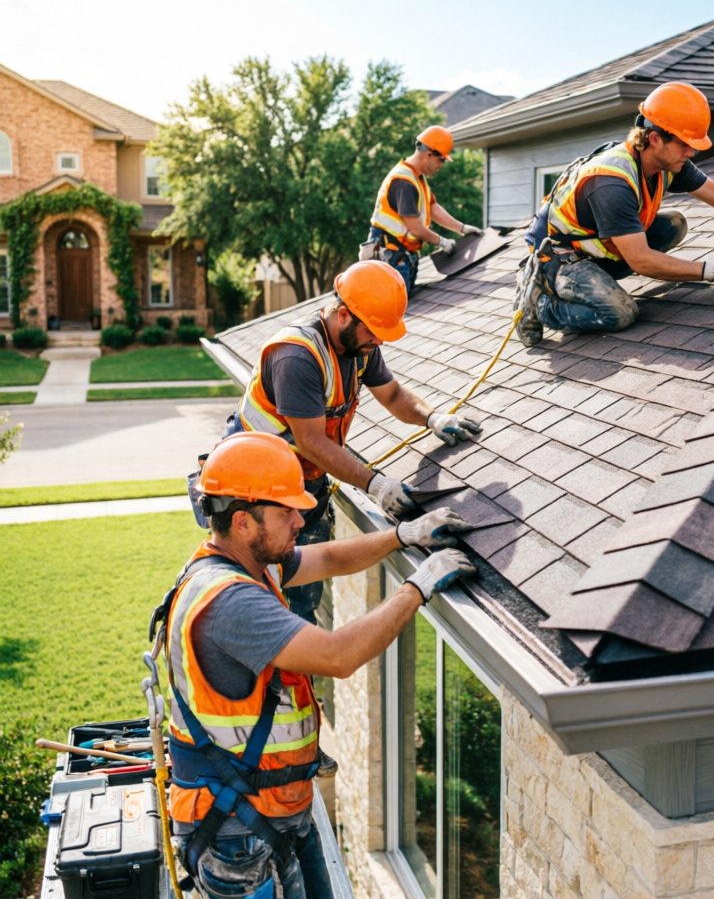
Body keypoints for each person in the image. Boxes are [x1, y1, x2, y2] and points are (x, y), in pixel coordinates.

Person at [164, 431, 476, 899]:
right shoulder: (230, 602)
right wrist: (419, 587)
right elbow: (338, 655)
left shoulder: (246, 561)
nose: (300, 518)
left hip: (269, 808)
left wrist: (400, 535)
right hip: (238, 833)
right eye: (286, 510)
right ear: (244, 522)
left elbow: (327, 556)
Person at [228, 261, 482, 625]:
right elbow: (312, 442)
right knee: (267, 608)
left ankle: (297, 674)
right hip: (255, 499)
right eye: (373, 332)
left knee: (303, 608)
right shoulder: (298, 357)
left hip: (300, 488)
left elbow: (393, 395)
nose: (378, 341)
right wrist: (376, 484)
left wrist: (432, 418)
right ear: (344, 314)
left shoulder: (360, 345)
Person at [515, 82, 714, 346]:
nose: (692, 152)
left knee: (674, 224)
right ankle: (540, 305)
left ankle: (594, 279)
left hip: (595, 244)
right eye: (685, 143)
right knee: (619, 312)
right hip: (556, 255)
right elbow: (640, 260)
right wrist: (712, 271)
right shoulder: (610, 182)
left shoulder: (666, 162)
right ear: (654, 139)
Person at [367, 125, 482, 293]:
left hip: (402, 256)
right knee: (393, 307)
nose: (442, 165)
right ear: (428, 154)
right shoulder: (404, 182)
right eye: (441, 159)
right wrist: (441, 242)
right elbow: (415, 227)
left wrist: (462, 228)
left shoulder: (416, 178)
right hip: (390, 256)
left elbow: (432, 207)